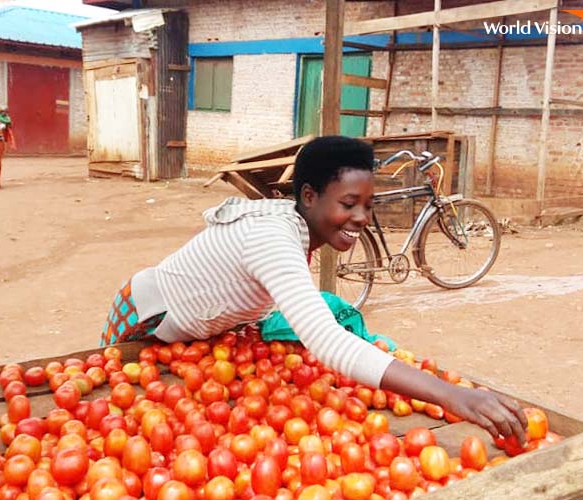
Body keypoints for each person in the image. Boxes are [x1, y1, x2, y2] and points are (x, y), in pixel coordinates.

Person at [100, 135, 528, 444]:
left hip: (202, 336)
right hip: (146, 320)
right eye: (348, 204)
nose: (361, 218)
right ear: (309, 195)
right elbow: (326, 342)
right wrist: (453, 396)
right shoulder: (272, 238)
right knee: (121, 405)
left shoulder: (297, 229)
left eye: (368, 205)